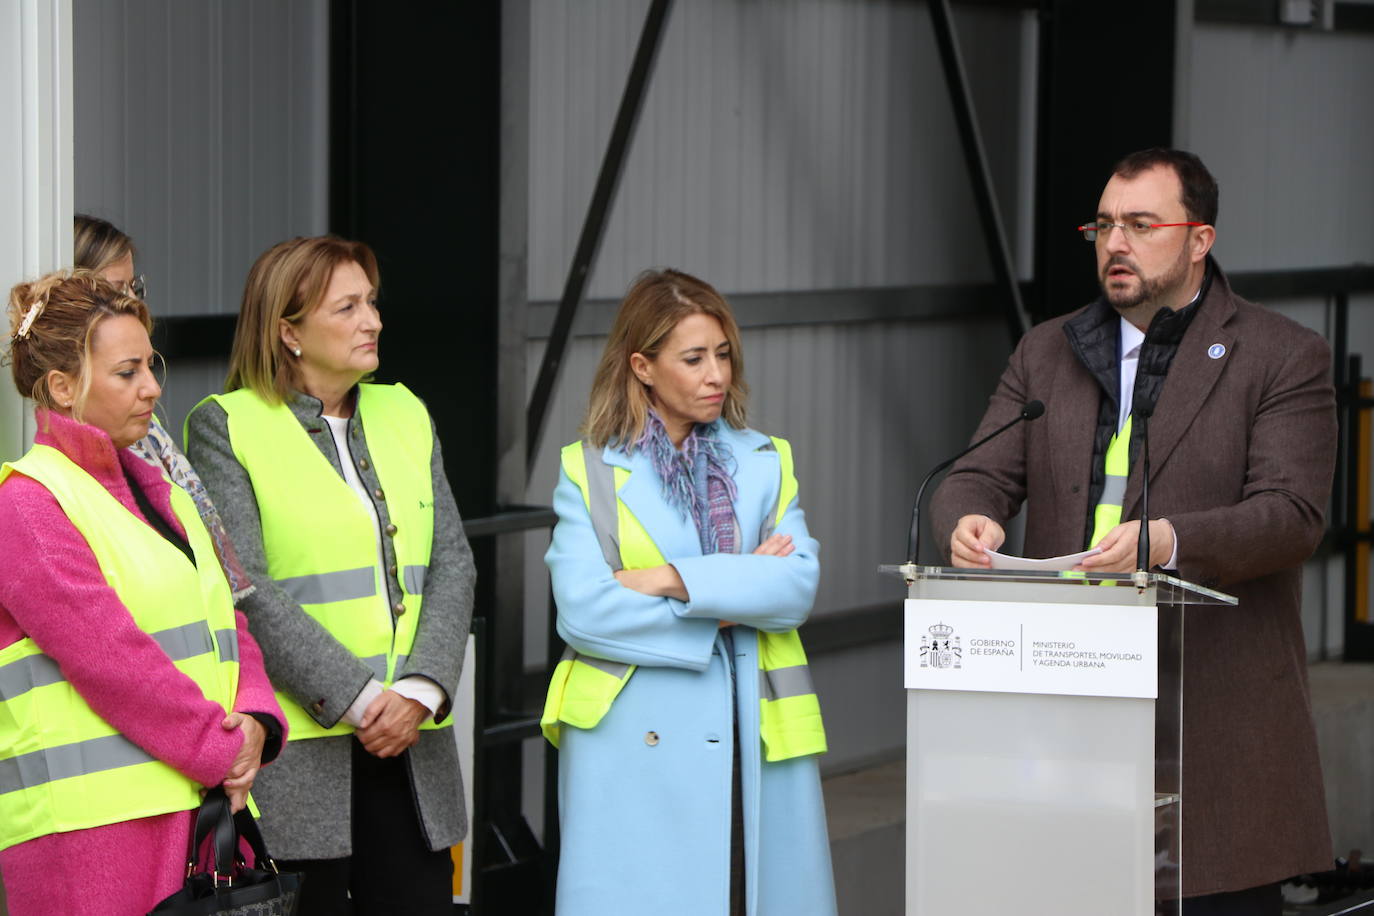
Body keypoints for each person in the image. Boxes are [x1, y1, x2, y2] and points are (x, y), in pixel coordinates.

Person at [930, 148, 1335, 914]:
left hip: (1209, 723)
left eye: (1141, 225)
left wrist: (1166, 541)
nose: (1115, 243)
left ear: (1198, 240)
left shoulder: (1281, 355)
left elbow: (1291, 516)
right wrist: (967, 518)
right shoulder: (1046, 351)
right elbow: (976, 473)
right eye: (1104, 225)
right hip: (1065, 715)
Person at [185, 235, 475, 915]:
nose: (372, 320)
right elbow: (244, 584)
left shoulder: (406, 411)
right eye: (346, 308)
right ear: (288, 332)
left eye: (371, 303)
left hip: (413, 749)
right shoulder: (227, 426)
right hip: (302, 759)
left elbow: (453, 561)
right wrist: (363, 699)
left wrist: (422, 689)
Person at [541, 268, 837, 915]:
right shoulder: (588, 468)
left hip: (751, 727)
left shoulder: (764, 460)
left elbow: (794, 585)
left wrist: (672, 578)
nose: (717, 375)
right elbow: (585, 610)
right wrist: (731, 597)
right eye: (695, 358)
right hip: (630, 739)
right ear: (643, 366)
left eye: (724, 354)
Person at [0, 271, 284, 915]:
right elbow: (111, 658)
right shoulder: (28, 506)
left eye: (151, 365)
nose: (153, 387)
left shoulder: (165, 491)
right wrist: (223, 747)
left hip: (196, 813)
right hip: (91, 840)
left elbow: (228, 624)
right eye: (127, 372)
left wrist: (258, 721)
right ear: (62, 387)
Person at [74, 213, 254, 600]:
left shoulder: (148, 437)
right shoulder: (61, 465)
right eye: (115, 291)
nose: (134, 303)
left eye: (135, 287)